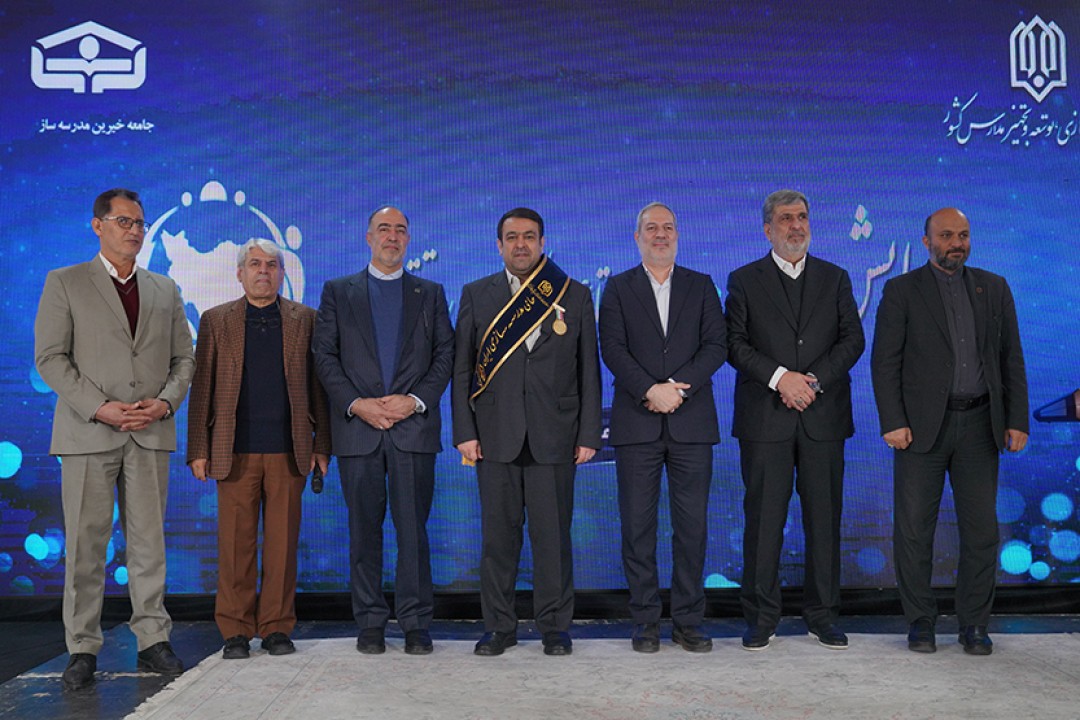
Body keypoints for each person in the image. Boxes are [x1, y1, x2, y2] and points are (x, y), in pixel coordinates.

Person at [34, 188, 195, 690]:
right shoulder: (65, 282)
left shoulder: (164, 288)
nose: (135, 231)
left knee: (150, 544)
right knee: (86, 546)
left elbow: (184, 359)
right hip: (88, 433)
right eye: (124, 221)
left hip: (150, 431)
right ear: (98, 225)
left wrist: (165, 403)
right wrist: (99, 406)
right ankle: (82, 647)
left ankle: (153, 638)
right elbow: (50, 358)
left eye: (140, 223)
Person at [871, 207, 1028, 656]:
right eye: (946, 236)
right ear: (927, 242)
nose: (955, 243)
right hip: (920, 430)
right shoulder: (901, 290)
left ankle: (974, 624)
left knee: (982, 531)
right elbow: (885, 362)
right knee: (914, 530)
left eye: (962, 235)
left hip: (981, 426)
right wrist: (892, 421)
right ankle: (920, 622)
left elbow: (1011, 358)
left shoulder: (994, 288)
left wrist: (1016, 419)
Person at [452, 207, 602, 657]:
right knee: (498, 540)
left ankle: (554, 627)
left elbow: (589, 372)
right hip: (493, 436)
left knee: (552, 538)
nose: (521, 244)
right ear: (499, 245)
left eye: (530, 236)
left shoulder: (574, 294)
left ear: (542, 242)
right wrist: (464, 431)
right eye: (513, 237)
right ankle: (499, 627)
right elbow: (462, 371)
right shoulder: (476, 294)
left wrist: (589, 435)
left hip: (555, 436)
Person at [726, 189, 864, 651]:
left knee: (824, 521)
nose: (796, 225)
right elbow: (734, 344)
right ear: (768, 229)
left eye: (802, 216)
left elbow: (852, 340)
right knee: (763, 521)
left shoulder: (836, 277)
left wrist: (813, 382)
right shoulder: (744, 280)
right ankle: (760, 618)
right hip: (766, 419)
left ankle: (823, 616)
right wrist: (781, 379)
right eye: (786, 218)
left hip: (823, 417)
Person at [313, 207, 454, 655]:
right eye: (384, 230)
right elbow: (324, 356)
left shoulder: (430, 293)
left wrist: (414, 401)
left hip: (413, 430)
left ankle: (415, 623)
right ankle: (370, 622)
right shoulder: (338, 292)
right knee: (363, 532)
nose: (392, 237)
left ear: (408, 240)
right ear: (368, 237)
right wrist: (358, 404)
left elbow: (445, 356)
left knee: (413, 533)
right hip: (358, 431)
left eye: (400, 230)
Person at [186, 239, 331, 659]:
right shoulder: (216, 320)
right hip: (233, 451)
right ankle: (235, 630)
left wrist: (323, 445)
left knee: (282, 547)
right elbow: (202, 388)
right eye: (254, 264)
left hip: (289, 451)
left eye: (271, 265)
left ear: (282, 273)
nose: (263, 271)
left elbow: (319, 388)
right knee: (235, 547)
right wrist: (198, 448)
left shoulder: (306, 319)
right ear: (240, 273)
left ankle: (276, 627)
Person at [598, 203, 727, 653]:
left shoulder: (701, 285)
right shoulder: (617, 288)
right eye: (651, 228)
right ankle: (646, 622)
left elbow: (716, 345)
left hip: (692, 424)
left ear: (678, 234)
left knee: (692, 529)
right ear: (637, 237)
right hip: (637, 423)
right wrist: (650, 390)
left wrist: (678, 390)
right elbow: (612, 348)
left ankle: (689, 622)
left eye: (668, 227)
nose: (660, 234)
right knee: (638, 529)